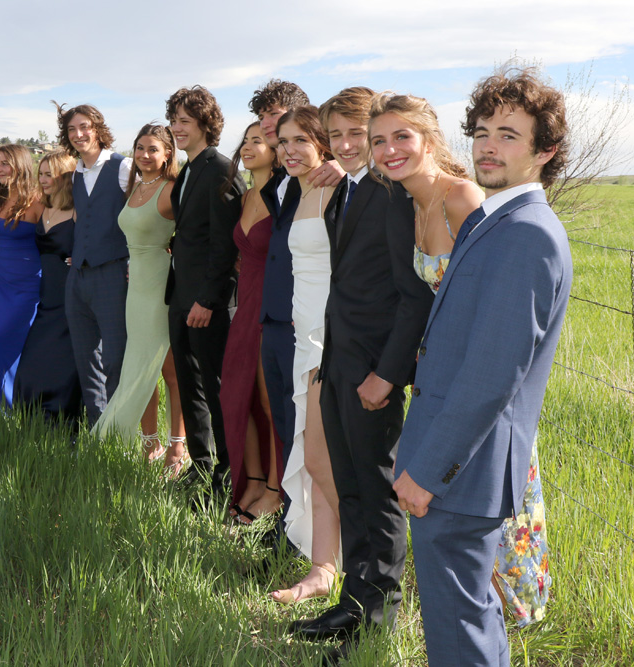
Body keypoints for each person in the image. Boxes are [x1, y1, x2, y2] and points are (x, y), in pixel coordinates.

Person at [393, 66, 571, 666]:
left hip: (463, 469)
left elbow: (493, 376)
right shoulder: (495, 219)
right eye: (482, 132)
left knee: (458, 627)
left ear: (544, 152)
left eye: (509, 135)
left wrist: (428, 471)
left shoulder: (527, 235)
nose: (488, 146)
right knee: (467, 615)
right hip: (457, 460)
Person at [289, 87, 434, 654]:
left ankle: (377, 622)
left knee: (375, 492)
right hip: (336, 361)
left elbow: (412, 296)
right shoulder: (347, 188)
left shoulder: (391, 194)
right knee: (348, 486)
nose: (348, 145)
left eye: (358, 134)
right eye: (338, 135)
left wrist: (386, 374)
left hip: (372, 369)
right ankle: (352, 603)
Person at [269, 106, 339, 603]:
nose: (288, 150)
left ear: (322, 142)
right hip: (303, 334)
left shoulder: (338, 187)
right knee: (314, 457)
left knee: (320, 457)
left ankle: (364, 557)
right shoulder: (297, 189)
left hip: (331, 338)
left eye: (299, 140)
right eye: (282, 141)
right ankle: (324, 567)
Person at [92, 124, 188, 475]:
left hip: (161, 287)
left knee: (169, 370)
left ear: (167, 154)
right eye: (140, 148)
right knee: (140, 366)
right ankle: (150, 444)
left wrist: (172, 252)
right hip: (135, 289)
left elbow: (192, 233)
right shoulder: (134, 186)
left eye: (153, 149)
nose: (145, 155)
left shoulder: (171, 189)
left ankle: (178, 448)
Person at [165, 85, 245, 494]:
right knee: (189, 387)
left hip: (206, 303)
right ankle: (199, 469)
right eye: (173, 121)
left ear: (205, 124)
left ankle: (226, 479)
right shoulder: (189, 169)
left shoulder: (219, 170)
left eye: (185, 121)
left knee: (215, 392)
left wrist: (208, 300)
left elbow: (226, 245)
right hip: (180, 298)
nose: (176, 128)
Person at [218, 122, 283, 522]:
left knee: (269, 399)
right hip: (244, 304)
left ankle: (276, 490)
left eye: (258, 140)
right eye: (245, 140)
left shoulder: (284, 193)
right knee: (238, 394)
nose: (247, 146)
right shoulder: (245, 196)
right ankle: (254, 481)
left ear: (275, 150)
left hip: (272, 303)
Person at [54, 102, 133, 426]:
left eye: (84, 127)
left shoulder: (123, 167)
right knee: (86, 360)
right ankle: (97, 430)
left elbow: (141, 213)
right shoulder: (75, 173)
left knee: (115, 358)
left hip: (113, 273)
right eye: (72, 129)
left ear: (98, 129)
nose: (79, 134)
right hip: (78, 278)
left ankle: (119, 431)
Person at [14, 149, 84, 427]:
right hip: (46, 297)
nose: (42, 180)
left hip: (71, 294)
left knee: (65, 361)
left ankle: (65, 420)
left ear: (65, 177)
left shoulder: (78, 210)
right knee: (33, 360)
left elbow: (99, 238)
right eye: (40, 174)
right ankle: (33, 419)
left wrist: (82, 255)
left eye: (49, 175)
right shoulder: (41, 207)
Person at [0, 144, 43, 412]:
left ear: (21, 165)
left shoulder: (39, 200)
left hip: (29, 284)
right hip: (3, 284)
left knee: (15, 345)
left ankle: (21, 406)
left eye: (5, 163)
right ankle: (2, 411)